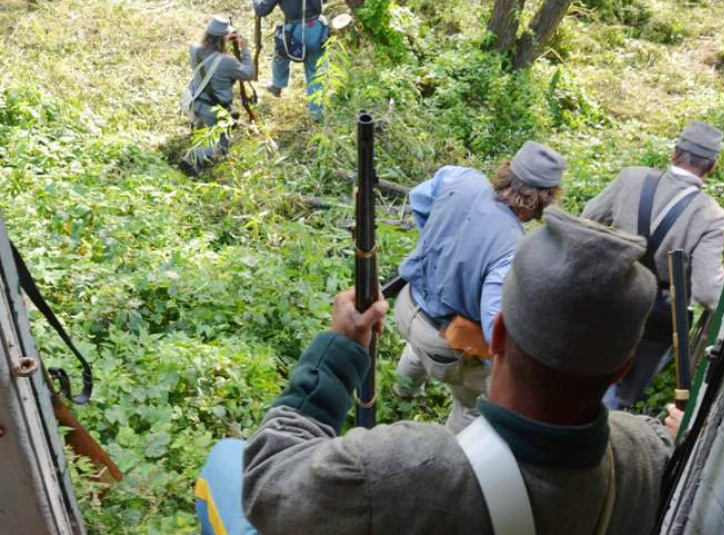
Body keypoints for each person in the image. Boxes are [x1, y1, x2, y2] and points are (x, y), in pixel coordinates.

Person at [194, 207, 676, 535]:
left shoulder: (398, 467)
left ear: (499, 333)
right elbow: (660, 441)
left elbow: (267, 482)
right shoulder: (651, 457)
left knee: (227, 460)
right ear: (622, 370)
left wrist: (340, 349)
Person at [393, 142, 565, 433]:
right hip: (443, 341)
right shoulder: (511, 249)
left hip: (406, 305)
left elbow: (420, 200)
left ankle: (402, 394)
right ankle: (449, 455)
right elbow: (493, 330)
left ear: (508, 170)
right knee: (477, 403)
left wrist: (437, 247)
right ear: (546, 198)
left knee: (415, 349)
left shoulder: (459, 177)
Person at [582, 121, 724, 410]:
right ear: (711, 167)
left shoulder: (630, 178)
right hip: (656, 316)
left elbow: (589, 219)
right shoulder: (711, 215)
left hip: (607, 294)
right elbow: (708, 294)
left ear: (674, 153)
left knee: (584, 370)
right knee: (619, 396)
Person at [180, 15, 255, 176]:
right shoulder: (228, 61)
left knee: (215, 129)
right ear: (223, 38)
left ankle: (201, 138)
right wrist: (245, 49)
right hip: (214, 111)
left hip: (195, 102)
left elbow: (211, 55)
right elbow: (250, 73)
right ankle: (193, 156)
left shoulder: (194, 49)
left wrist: (223, 38)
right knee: (222, 149)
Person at [253, 0, 328, 120]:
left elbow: (261, 10)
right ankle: (316, 113)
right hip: (316, 28)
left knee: (281, 54)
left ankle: (277, 84)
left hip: (295, 29)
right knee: (315, 71)